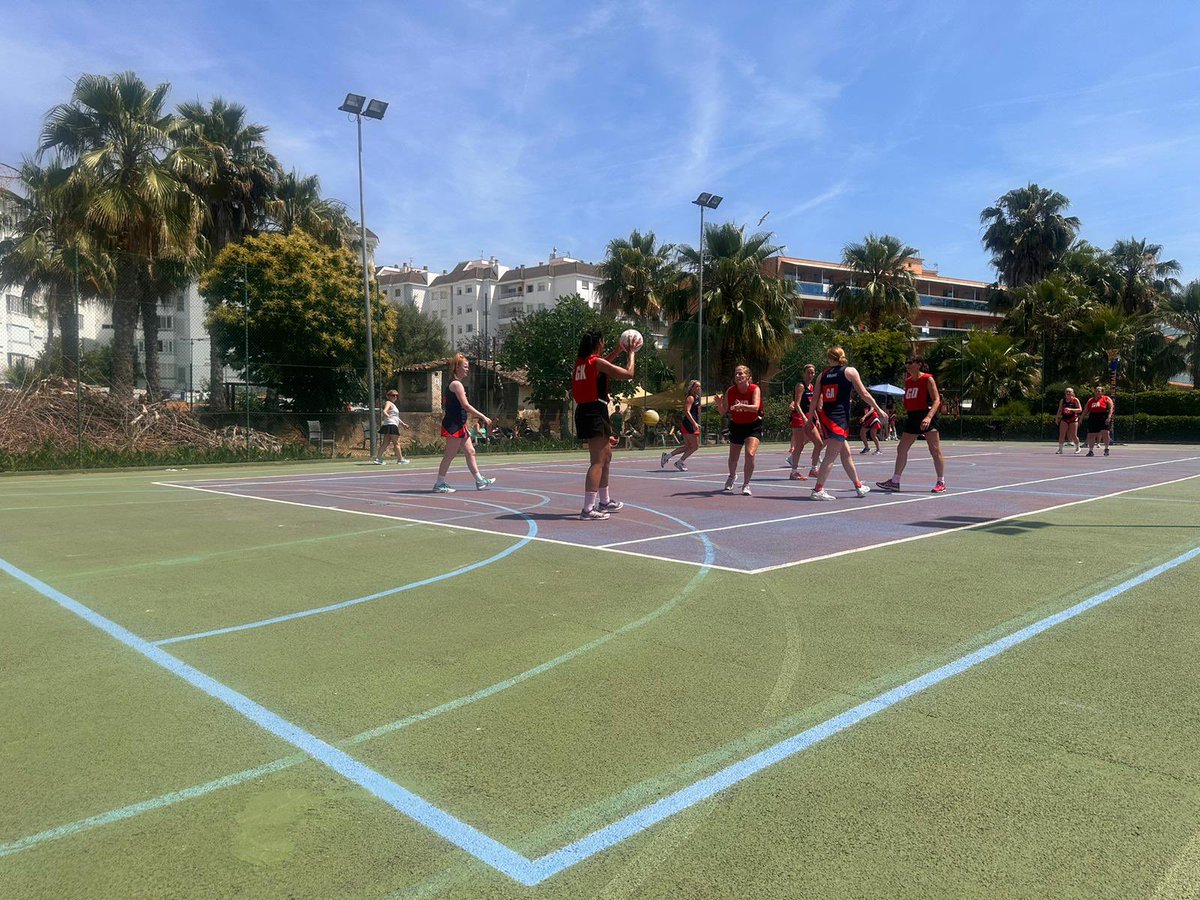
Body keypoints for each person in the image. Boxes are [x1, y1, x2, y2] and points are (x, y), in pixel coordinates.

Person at [573, 329, 637, 520]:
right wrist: (631, 353)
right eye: (604, 341)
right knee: (597, 461)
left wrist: (617, 351)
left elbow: (602, 365)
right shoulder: (596, 362)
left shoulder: (583, 362)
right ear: (599, 343)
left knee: (606, 457)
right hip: (594, 411)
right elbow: (628, 374)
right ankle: (588, 509)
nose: (605, 343)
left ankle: (605, 501)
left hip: (589, 410)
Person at [810, 346, 886, 501]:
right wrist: (878, 409)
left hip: (827, 418)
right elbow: (864, 393)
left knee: (846, 454)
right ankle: (818, 489)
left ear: (829, 358)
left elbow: (814, 399)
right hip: (838, 419)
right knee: (830, 456)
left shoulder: (822, 375)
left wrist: (810, 418)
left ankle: (858, 486)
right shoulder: (850, 371)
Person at [876, 355, 947, 494]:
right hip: (913, 417)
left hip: (926, 415)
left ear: (919, 364)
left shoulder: (927, 379)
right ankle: (895, 481)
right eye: (906, 363)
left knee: (934, 450)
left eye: (910, 362)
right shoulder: (908, 381)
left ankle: (941, 482)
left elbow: (937, 400)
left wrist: (928, 417)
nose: (907, 365)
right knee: (901, 448)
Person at [432, 354, 495, 493]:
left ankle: (479, 481)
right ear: (457, 367)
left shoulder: (457, 384)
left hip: (460, 424)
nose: (467, 369)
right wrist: (483, 416)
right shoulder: (456, 384)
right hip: (453, 425)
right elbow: (466, 406)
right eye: (465, 366)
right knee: (450, 455)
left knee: (470, 451)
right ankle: (439, 484)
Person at [715, 365, 763, 496]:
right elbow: (723, 411)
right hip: (736, 425)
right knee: (733, 458)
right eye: (736, 374)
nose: (738, 376)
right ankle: (732, 476)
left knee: (750, 454)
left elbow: (756, 407)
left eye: (741, 373)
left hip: (753, 425)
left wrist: (741, 406)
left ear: (748, 376)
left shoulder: (754, 389)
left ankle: (746, 484)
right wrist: (719, 404)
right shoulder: (730, 391)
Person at [785, 364, 823, 481]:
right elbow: (796, 404)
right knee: (799, 445)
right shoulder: (800, 386)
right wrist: (804, 418)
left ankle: (813, 470)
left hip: (808, 416)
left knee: (819, 443)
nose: (810, 375)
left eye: (812, 373)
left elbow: (812, 405)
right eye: (808, 372)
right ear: (804, 373)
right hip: (798, 417)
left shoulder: (812, 387)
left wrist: (817, 419)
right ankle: (794, 472)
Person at [662, 380, 702, 471]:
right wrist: (694, 423)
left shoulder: (697, 398)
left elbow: (696, 412)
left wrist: (696, 421)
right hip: (688, 424)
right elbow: (687, 411)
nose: (698, 388)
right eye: (696, 386)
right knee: (695, 446)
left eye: (699, 386)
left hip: (691, 424)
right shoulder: (690, 398)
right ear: (691, 388)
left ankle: (667, 456)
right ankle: (679, 462)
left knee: (688, 447)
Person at [376, 389, 411, 465]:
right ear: (388, 396)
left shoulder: (393, 405)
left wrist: (403, 424)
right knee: (396, 443)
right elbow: (384, 411)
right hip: (391, 425)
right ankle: (400, 459)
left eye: (396, 395)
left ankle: (378, 459)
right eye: (393, 395)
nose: (395, 397)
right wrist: (388, 416)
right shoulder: (388, 403)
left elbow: (396, 417)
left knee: (385, 442)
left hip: (389, 424)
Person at [1084, 385, 1114, 456]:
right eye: (1096, 391)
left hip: (1103, 416)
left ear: (1102, 392)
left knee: (1105, 433)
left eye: (1099, 391)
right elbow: (1086, 410)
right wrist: (1081, 418)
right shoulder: (1091, 400)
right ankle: (1091, 451)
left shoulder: (1106, 398)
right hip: (1093, 417)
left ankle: (1106, 449)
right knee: (1092, 434)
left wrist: (1109, 417)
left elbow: (1111, 408)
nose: (1097, 392)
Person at [1055, 387, 1083, 454]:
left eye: (1069, 392)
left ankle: (1078, 447)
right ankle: (1060, 449)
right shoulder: (1063, 400)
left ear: (1072, 393)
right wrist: (1057, 418)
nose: (1068, 393)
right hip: (1064, 418)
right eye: (1066, 392)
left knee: (1073, 435)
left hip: (1073, 419)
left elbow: (1080, 409)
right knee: (1062, 434)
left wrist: (1071, 409)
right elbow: (1060, 409)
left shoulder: (1075, 400)